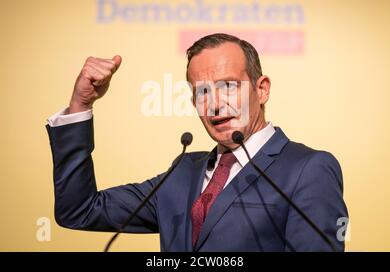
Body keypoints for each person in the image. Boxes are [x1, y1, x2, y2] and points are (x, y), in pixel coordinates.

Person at [46, 33, 348, 251]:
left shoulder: (308, 169)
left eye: (228, 86)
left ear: (263, 89)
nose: (214, 105)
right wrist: (81, 104)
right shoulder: (183, 171)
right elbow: (80, 209)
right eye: (202, 93)